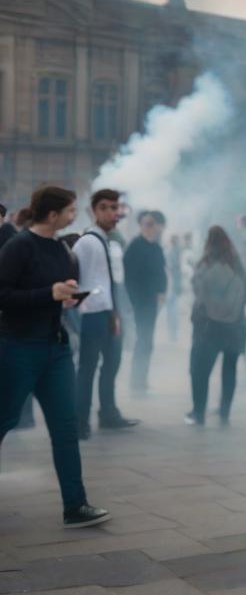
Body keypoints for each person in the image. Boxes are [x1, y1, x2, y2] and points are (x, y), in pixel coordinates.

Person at [0, 185, 110, 527]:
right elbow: (3, 296)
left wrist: (69, 298)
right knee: (4, 421)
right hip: (19, 346)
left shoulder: (63, 249)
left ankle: (75, 505)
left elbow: (58, 292)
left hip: (56, 347)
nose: (74, 216)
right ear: (52, 214)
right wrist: (48, 293)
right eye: (70, 211)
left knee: (65, 427)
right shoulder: (18, 247)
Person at [73, 189, 140, 438]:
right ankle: (80, 422)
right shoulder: (88, 242)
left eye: (115, 207)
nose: (113, 213)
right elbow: (78, 279)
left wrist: (117, 313)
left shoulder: (110, 241)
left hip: (109, 312)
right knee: (88, 368)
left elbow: (113, 280)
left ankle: (108, 413)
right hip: (93, 314)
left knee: (111, 364)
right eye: (106, 207)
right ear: (94, 211)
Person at [186, 226, 246, 425]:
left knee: (199, 370)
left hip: (208, 328)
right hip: (235, 326)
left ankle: (198, 413)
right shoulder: (236, 264)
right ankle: (224, 412)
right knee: (229, 369)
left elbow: (198, 294)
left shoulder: (205, 263)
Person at [124, 209, 167, 393]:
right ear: (140, 226)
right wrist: (132, 303)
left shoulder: (156, 247)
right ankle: (137, 382)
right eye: (146, 224)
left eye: (152, 224)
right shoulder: (135, 246)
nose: (150, 228)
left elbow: (161, 272)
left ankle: (142, 380)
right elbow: (128, 278)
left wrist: (162, 291)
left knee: (147, 341)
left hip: (152, 302)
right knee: (143, 341)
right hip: (139, 302)